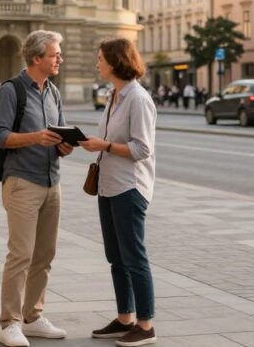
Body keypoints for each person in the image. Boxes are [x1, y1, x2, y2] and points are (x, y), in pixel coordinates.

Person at [0, 30, 72, 347]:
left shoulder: (53, 91)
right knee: (20, 255)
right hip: (22, 182)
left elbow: (59, 131)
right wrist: (35, 138)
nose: (59, 59)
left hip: (53, 181)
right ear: (37, 58)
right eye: (55, 54)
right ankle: (9, 322)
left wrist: (65, 146)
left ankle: (33, 317)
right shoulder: (12, 90)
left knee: (45, 255)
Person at [81, 39, 157, 346]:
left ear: (114, 61)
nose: (96, 63)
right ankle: (125, 318)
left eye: (100, 59)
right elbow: (109, 139)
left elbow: (142, 149)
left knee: (134, 256)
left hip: (130, 187)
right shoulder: (114, 96)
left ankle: (146, 325)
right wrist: (92, 142)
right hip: (109, 185)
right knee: (116, 257)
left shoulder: (138, 98)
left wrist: (105, 146)